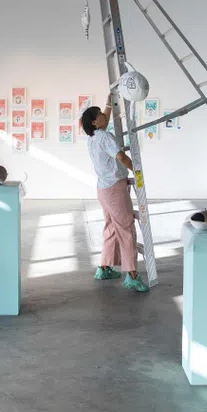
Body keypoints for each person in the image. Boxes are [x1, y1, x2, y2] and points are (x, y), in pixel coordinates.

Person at [81, 95, 149, 293]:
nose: (104, 116)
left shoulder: (93, 137)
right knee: (126, 229)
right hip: (114, 189)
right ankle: (132, 275)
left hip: (103, 189)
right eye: (100, 115)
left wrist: (108, 105)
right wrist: (135, 170)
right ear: (95, 122)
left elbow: (104, 120)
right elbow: (120, 156)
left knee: (111, 227)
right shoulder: (105, 137)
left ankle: (104, 268)